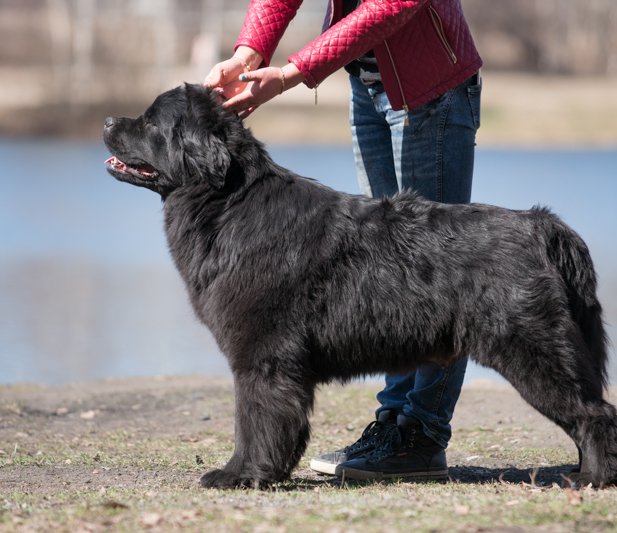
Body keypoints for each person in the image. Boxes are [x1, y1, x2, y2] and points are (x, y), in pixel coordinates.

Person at [204, 0, 482, 481]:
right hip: (370, 91)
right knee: (386, 272)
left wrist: (292, 73)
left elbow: (391, 6)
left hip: (432, 94)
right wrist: (248, 53)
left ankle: (422, 434)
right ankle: (393, 424)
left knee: (439, 268)